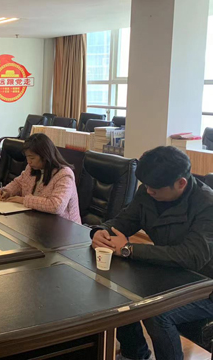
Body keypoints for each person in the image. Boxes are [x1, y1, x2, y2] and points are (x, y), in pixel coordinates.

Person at [91, 146, 213, 360]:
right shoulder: (148, 192)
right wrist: (101, 231)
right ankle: (134, 354)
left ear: (181, 183)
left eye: (154, 188)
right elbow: (124, 221)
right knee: (118, 291)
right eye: (146, 185)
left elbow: (192, 256)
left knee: (157, 313)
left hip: (205, 286)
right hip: (170, 274)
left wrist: (129, 249)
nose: (148, 191)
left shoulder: (207, 205)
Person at [0, 133, 80, 223]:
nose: (29, 162)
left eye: (32, 158)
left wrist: (24, 200)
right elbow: (19, 183)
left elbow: (56, 206)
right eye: (27, 157)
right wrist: (7, 191)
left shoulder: (64, 175)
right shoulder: (31, 168)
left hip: (63, 226)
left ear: (45, 156)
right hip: (38, 220)